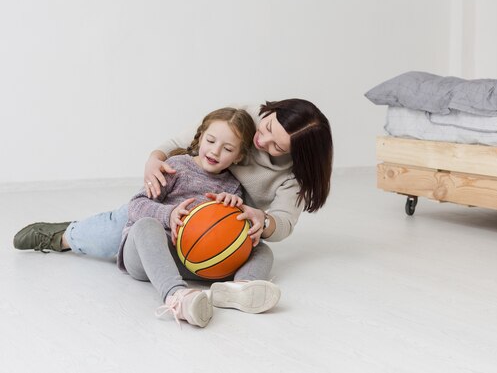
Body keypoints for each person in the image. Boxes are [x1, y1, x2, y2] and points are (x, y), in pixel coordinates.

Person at [14, 98, 333, 313]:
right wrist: (154, 162)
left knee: (261, 249)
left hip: (208, 232)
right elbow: (185, 142)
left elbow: (283, 222)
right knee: (123, 221)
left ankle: (241, 289)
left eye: (277, 145)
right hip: (167, 214)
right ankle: (65, 236)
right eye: (266, 128)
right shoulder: (238, 122)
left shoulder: (288, 179)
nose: (261, 141)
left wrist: (259, 219)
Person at [119, 107, 259, 327]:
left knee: (259, 247)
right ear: (200, 136)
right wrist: (169, 214)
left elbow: (232, 234)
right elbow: (136, 205)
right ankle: (176, 296)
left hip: (194, 260)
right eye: (211, 141)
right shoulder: (176, 167)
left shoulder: (232, 187)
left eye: (228, 148)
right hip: (148, 256)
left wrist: (235, 211)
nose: (215, 151)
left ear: (239, 156)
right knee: (146, 226)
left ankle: (239, 289)